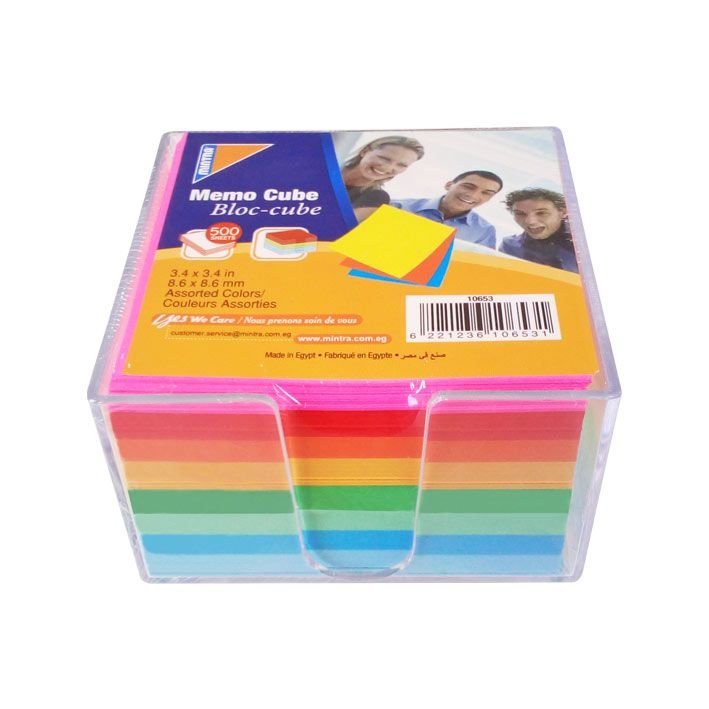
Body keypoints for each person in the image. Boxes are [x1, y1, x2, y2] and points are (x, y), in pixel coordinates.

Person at [392, 171, 502, 247]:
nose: (473, 195)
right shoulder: (397, 206)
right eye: (468, 186)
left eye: (486, 193)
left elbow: (476, 268)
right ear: (449, 185)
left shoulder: (484, 231)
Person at [340, 136, 425, 221]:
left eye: (402, 165)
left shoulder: (376, 197)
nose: (388, 168)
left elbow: (338, 225)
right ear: (364, 151)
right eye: (384, 158)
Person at [499, 189, 578, 273]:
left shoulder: (581, 244)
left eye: (541, 213)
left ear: (563, 212)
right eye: (520, 214)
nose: (530, 222)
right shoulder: (510, 247)